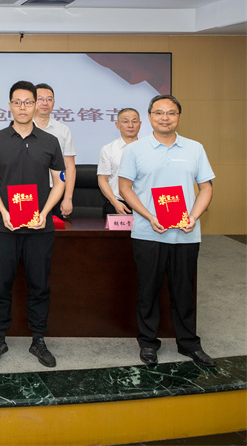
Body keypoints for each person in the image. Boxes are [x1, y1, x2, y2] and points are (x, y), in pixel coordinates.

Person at [119, 95, 216, 367]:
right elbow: (125, 187)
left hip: (186, 234)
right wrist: (149, 215)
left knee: (184, 291)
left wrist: (193, 216)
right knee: (148, 290)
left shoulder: (195, 148)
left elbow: (206, 188)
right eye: (159, 112)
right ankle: (148, 343)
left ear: (178, 117)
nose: (165, 118)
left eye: (171, 113)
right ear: (150, 116)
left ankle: (189, 343)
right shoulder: (135, 150)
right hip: (148, 232)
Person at [0, 81, 65, 368]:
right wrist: (3, 210)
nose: (23, 107)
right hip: (5, 226)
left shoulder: (50, 141)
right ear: (10, 105)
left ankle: (38, 339)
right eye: (17, 102)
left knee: (39, 284)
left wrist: (45, 212)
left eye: (28, 102)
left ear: (36, 104)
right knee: (1, 283)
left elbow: (59, 182)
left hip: (40, 227)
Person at [34, 83, 76, 218]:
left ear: (53, 103)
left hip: (55, 191)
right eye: (40, 99)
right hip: (27, 192)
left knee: (54, 230)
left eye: (49, 99)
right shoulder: (21, 128)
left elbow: (69, 166)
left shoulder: (62, 130)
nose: (45, 103)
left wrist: (68, 197)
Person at [97, 108, 141, 216]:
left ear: (140, 124)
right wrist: (115, 202)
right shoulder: (108, 149)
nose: (130, 125)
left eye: (134, 121)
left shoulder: (148, 149)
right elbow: (102, 180)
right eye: (125, 121)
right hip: (117, 204)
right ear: (118, 125)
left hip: (144, 204)